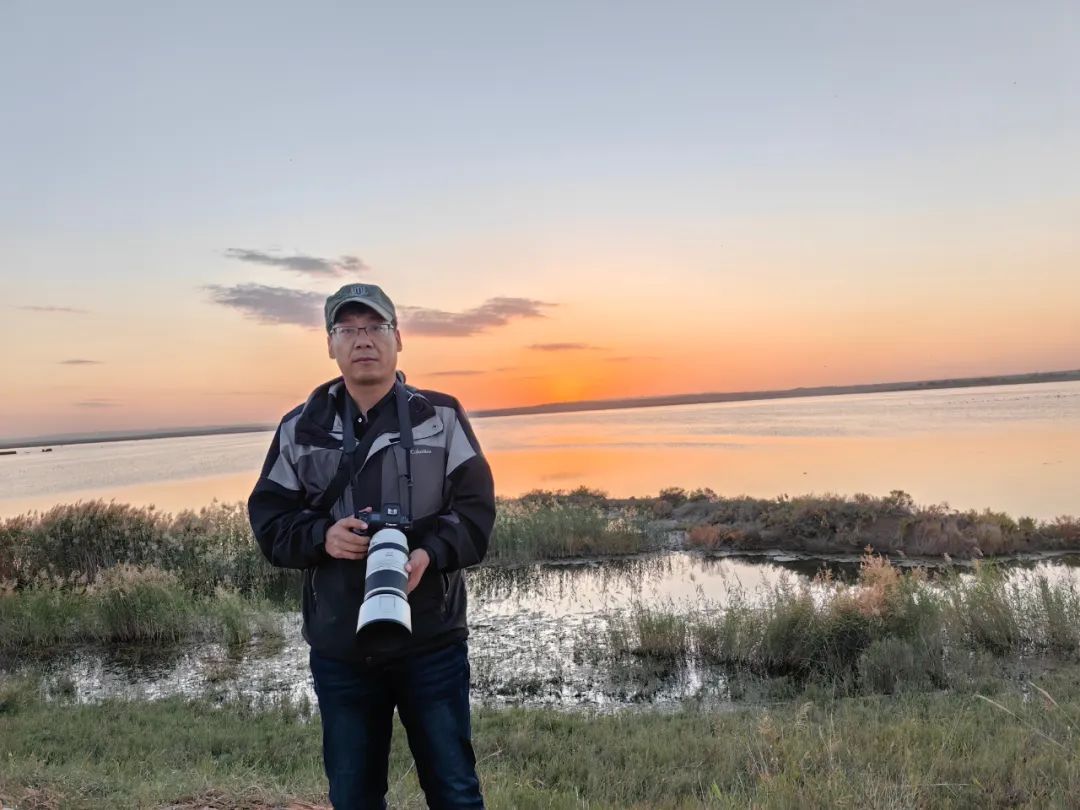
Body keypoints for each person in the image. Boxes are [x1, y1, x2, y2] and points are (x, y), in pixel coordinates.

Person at [248, 283, 495, 810]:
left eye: (376, 327)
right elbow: (270, 523)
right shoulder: (301, 428)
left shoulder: (441, 417)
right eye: (348, 329)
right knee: (353, 795)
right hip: (342, 646)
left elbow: (476, 517)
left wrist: (428, 554)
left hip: (431, 640)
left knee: (455, 791)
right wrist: (323, 537)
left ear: (398, 339)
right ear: (330, 344)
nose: (363, 340)